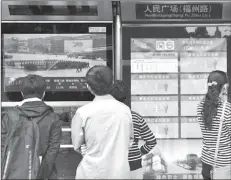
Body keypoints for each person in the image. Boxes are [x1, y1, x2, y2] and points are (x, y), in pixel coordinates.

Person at [71, 65, 133, 179]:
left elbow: (77, 145)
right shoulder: (125, 111)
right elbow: (129, 141)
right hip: (120, 174)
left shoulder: (82, 113)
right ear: (112, 83)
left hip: (90, 174)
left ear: (88, 87)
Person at [1, 74, 62, 179]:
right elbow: (52, 151)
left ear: (21, 93)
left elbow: (2, 147)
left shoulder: (9, 116)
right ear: (43, 93)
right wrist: (41, 175)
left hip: (13, 173)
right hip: (44, 174)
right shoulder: (53, 118)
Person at [110, 80, 157, 179]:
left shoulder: (104, 117)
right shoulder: (136, 117)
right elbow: (151, 141)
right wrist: (139, 153)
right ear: (126, 98)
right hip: (134, 164)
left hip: (111, 164)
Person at [197, 70, 231, 180]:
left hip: (206, 164)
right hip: (223, 166)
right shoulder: (227, 110)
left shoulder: (200, 107)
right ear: (225, 86)